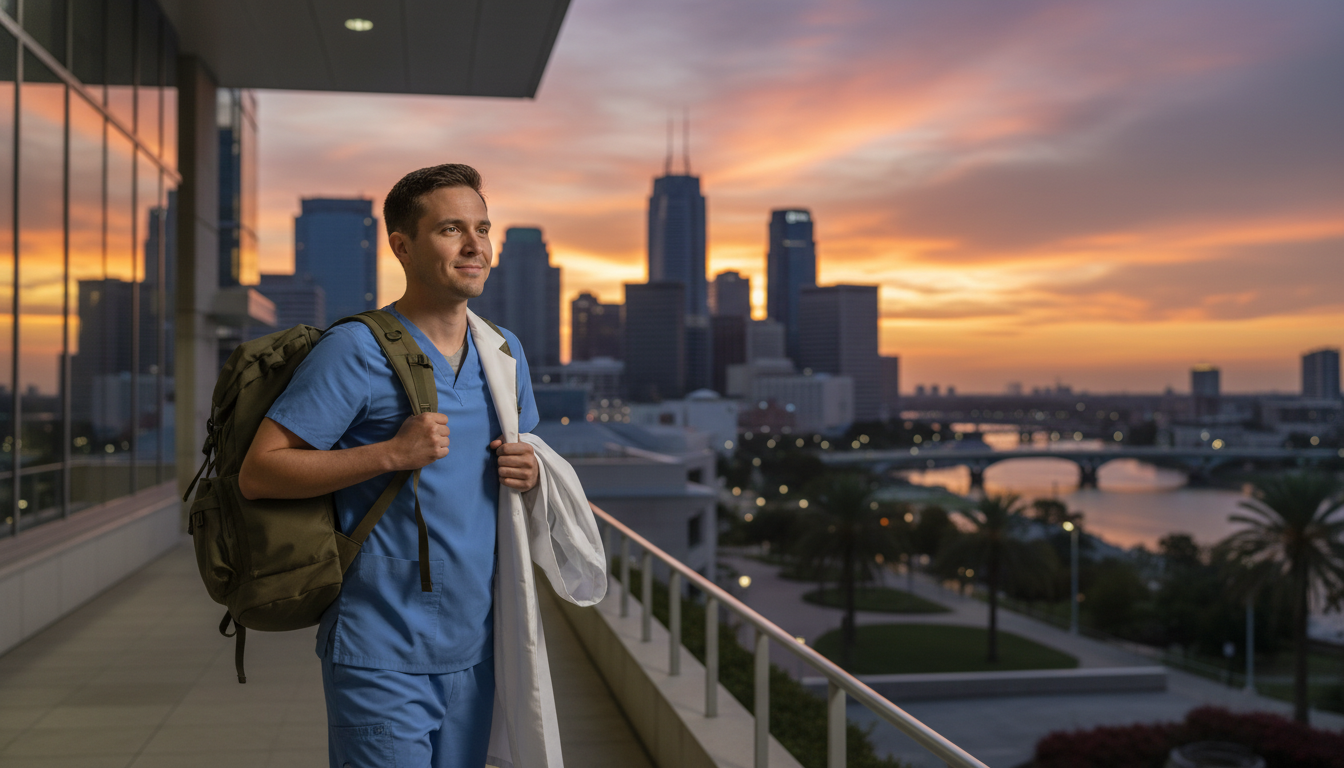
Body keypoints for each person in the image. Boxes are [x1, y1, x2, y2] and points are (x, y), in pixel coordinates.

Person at [239, 164, 582, 768]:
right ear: (402, 245)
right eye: (452, 229)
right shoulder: (356, 350)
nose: (475, 246)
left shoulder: (503, 352)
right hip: (381, 650)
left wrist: (527, 472)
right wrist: (390, 454)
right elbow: (260, 471)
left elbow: (514, 458)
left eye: (483, 228)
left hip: (479, 651)